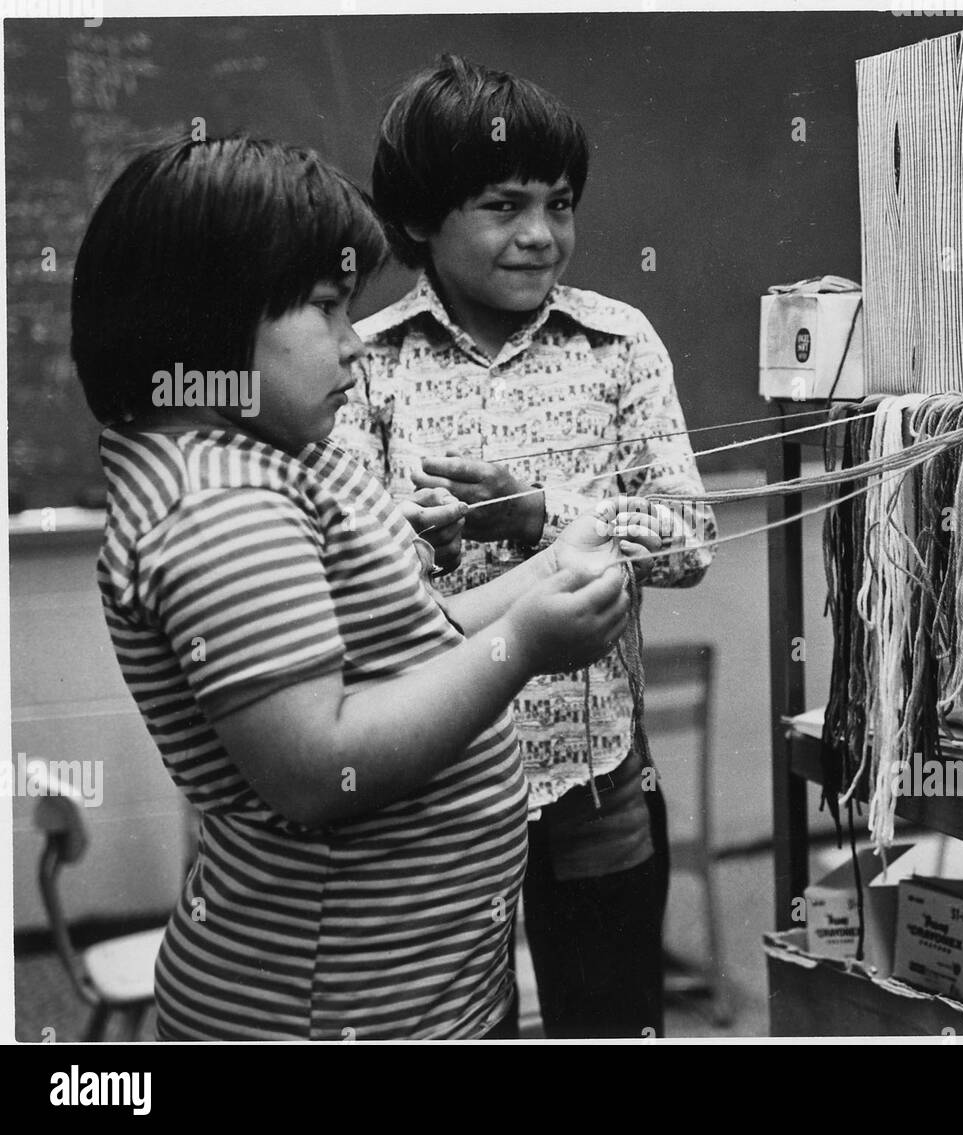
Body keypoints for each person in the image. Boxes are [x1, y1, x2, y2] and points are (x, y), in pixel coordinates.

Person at [72, 134, 669, 1040]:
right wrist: (528, 645)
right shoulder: (220, 506)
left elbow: (411, 643)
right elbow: (319, 765)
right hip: (331, 1006)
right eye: (324, 310)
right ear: (204, 321)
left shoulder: (274, 459)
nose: (354, 345)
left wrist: (545, 567)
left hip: (413, 985)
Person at [333, 55, 716, 1038]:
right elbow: (347, 588)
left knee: (609, 1015)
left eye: (559, 203)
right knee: (455, 1024)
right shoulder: (363, 364)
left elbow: (688, 542)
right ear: (419, 218)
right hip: (436, 773)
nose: (541, 235)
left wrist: (541, 513)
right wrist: (416, 541)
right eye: (504, 206)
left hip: (595, 770)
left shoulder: (615, 342)